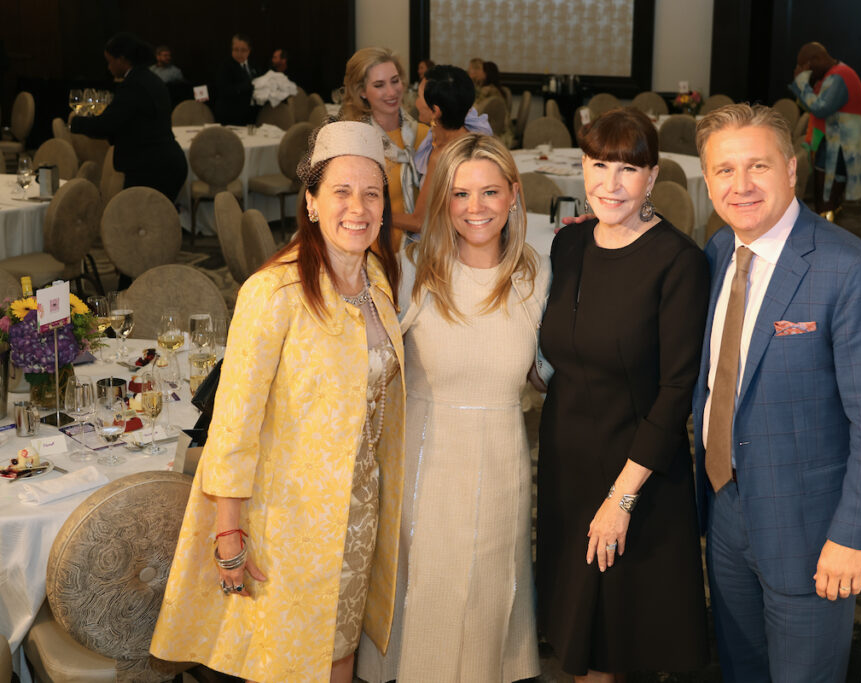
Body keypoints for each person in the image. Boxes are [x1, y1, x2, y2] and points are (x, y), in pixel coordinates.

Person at [150, 121, 406, 683]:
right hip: (285, 517)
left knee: (340, 648)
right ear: (311, 202)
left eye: (372, 192)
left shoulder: (380, 279)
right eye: (341, 191)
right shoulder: (273, 293)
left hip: (357, 509)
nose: (357, 208)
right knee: (284, 661)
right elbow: (234, 423)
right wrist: (228, 531)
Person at [692, 103, 861, 682]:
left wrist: (852, 535)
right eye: (723, 170)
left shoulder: (848, 269)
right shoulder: (717, 253)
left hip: (813, 529)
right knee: (741, 667)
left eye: (758, 166)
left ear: (791, 170)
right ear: (707, 179)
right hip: (727, 506)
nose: (741, 186)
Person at [357, 133, 546, 683]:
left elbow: (548, 370)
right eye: (460, 195)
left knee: (490, 593)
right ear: (442, 201)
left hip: (504, 460)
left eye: (489, 193)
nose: (475, 208)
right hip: (424, 459)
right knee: (425, 594)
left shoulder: (538, 276)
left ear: (513, 195)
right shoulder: (411, 271)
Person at [536, 107, 710, 681]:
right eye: (598, 165)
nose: (610, 184)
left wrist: (623, 498)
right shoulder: (570, 246)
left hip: (636, 472)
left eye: (628, 169)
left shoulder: (678, 262)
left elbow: (677, 389)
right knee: (579, 638)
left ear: (653, 177)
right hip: (567, 463)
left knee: (619, 646)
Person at [71, 32, 187, 202]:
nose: (109, 68)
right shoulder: (151, 78)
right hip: (167, 161)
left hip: (151, 168)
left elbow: (107, 125)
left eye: (110, 62)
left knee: (139, 222)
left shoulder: (133, 85)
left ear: (122, 60)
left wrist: (76, 122)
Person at [391, 64, 479, 239]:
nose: (415, 102)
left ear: (435, 111)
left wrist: (377, 215)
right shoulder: (474, 137)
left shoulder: (444, 156)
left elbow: (420, 223)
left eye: (418, 96)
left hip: (449, 250)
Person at [342, 47, 429, 218]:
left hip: (425, 242)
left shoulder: (425, 135)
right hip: (369, 241)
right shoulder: (356, 143)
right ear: (362, 92)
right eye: (379, 85)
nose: (391, 92)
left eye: (395, 81)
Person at [788, 42, 861, 216]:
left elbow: (820, 108)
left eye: (806, 67)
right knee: (826, 200)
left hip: (838, 146)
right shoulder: (832, 75)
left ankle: (825, 237)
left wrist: (801, 83)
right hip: (834, 143)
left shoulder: (839, 76)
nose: (806, 72)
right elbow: (810, 106)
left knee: (826, 202)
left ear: (815, 60)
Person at [214, 33, 258, 125]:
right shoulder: (225, 66)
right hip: (230, 115)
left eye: (243, 50)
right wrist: (248, 85)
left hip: (250, 115)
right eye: (236, 50)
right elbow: (224, 90)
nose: (239, 53)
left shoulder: (254, 65)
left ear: (249, 51)